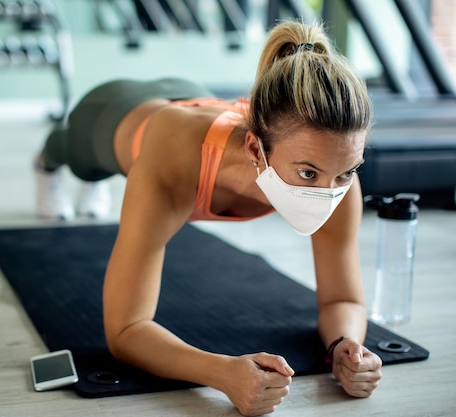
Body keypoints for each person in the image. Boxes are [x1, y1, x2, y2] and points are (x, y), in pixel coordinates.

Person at [34, 20, 383, 417]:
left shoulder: (336, 178)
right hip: (114, 111)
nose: (328, 193)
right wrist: (222, 373)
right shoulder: (174, 166)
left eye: (346, 171)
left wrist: (346, 347)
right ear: (255, 150)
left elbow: (342, 299)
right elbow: (126, 330)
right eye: (307, 174)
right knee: (72, 157)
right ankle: (45, 164)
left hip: (193, 99)